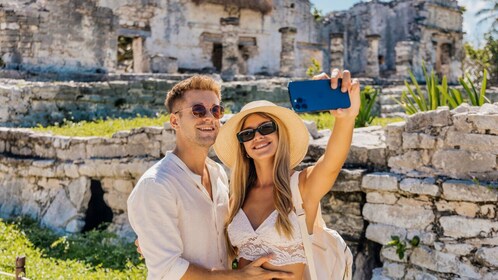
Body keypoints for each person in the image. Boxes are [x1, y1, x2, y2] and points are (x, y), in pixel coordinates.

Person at [127, 75, 293, 280]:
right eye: (197, 111)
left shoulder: (218, 174)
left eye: (216, 110)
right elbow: (168, 269)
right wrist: (239, 277)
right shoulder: (156, 185)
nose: (209, 117)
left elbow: (225, 245)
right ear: (174, 121)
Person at [213, 70, 360, 280]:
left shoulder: (301, 187)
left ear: (279, 133)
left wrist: (346, 119)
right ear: (243, 146)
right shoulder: (237, 197)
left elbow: (331, 165)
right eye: (247, 133)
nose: (257, 137)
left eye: (266, 128)